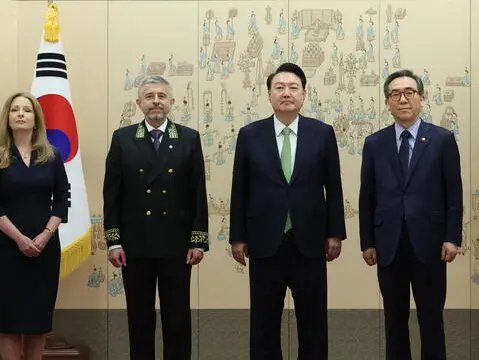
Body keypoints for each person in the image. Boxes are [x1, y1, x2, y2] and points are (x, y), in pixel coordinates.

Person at [229, 63, 346, 360]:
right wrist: (237, 237)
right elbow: (239, 189)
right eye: (279, 87)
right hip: (265, 242)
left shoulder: (322, 133)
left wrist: (335, 233)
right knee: (264, 323)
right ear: (269, 94)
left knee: (314, 322)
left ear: (304, 94)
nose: (286, 93)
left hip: (310, 242)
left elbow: (333, 187)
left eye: (293, 87)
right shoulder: (250, 135)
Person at [359, 69, 462, 360]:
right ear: (387, 103)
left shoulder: (441, 139)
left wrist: (452, 238)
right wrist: (367, 241)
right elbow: (367, 196)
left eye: (409, 93)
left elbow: (453, 193)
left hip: (429, 245)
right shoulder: (375, 143)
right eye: (395, 94)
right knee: (394, 322)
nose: (402, 99)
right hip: (388, 245)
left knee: (431, 321)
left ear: (422, 99)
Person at [103, 75, 209, 360]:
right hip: (135, 246)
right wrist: (114, 241)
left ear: (172, 102)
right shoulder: (122, 139)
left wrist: (198, 241)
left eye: (162, 96)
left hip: (176, 245)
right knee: (140, 319)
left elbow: (197, 192)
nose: (156, 101)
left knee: (177, 318)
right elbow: (111, 194)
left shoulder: (188, 138)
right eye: (149, 96)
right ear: (139, 103)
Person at [0, 92, 70, 360]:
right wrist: (20, 238)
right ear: (7, 118)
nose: (21, 114)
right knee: (8, 322)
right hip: (5, 250)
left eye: (27, 110)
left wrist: (44, 235)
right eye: (15, 110)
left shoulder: (52, 156)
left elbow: (62, 201)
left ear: (36, 119)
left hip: (44, 249)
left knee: (37, 322)